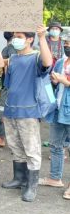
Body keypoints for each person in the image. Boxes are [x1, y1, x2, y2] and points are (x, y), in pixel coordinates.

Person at [1, 25, 53, 202]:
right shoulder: (13, 58)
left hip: (29, 111)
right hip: (10, 109)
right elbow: (7, 81)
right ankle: (19, 179)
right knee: (15, 147)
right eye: (15, 36)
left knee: (32, 150)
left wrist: (42, 37)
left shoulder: (37, 56)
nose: (16, 39)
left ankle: (31, 186)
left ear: (30, 39)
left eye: (20, 36)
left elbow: (47, 63)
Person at [39, 36, 70, 199]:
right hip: (58, 109)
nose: (67, 46)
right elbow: (53, 80)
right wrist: (54, 81)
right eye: (66, 44)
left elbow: (64, 81)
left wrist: (63, 80)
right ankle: (54, 177)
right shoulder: (61, 62)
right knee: (56, 145)